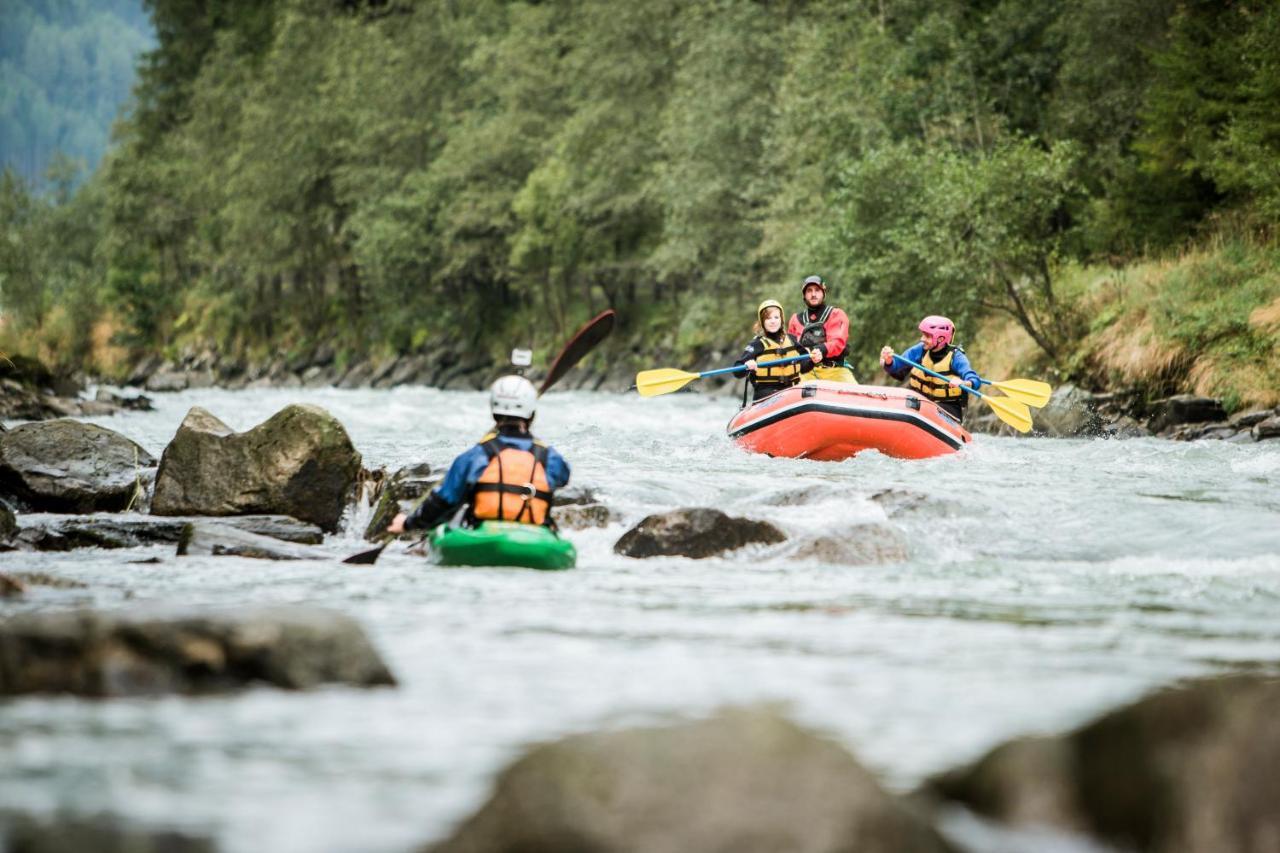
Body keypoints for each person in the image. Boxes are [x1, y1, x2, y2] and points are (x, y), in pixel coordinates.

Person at [387, 375, 571, 534]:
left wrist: (407, 523)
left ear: (494, 414)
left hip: (482, 535)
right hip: (536, 538)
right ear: (532, 415)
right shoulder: (550, 458)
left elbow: (442, 502)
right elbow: (563, 477)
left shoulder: (474, 456)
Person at [880, 315, 981, 421]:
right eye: (923, 335)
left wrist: (964, 383)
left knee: (927, 411)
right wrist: (889, 361)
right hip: (920, 401)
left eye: (927, 336)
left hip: (948, 409)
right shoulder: (919, 350)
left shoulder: (957, 357)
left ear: (941, 339)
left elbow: (975, 380)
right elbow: (896, 368)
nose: (922, 339)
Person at [735, 299, 806, 403]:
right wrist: (747, 366)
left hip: (792, 391)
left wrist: (813, 359)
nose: (773, 321)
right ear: (762, 322)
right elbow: (737, 371)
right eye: (768, 318)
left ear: (781, 319)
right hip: (766, 396)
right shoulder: (757, 344)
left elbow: (805, 364)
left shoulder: (791, 340)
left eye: (776, 317)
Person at [787, 274, 856, 382]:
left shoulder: (837, 314)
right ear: (804, 295)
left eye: (817, 290)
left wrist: (821, 350)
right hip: (806, 372)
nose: (813, 294)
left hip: (835, 371)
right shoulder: (795, 320)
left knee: (855, 395)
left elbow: (838, 342)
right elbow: (791, 350)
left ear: (823, 293)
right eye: (809, 291)